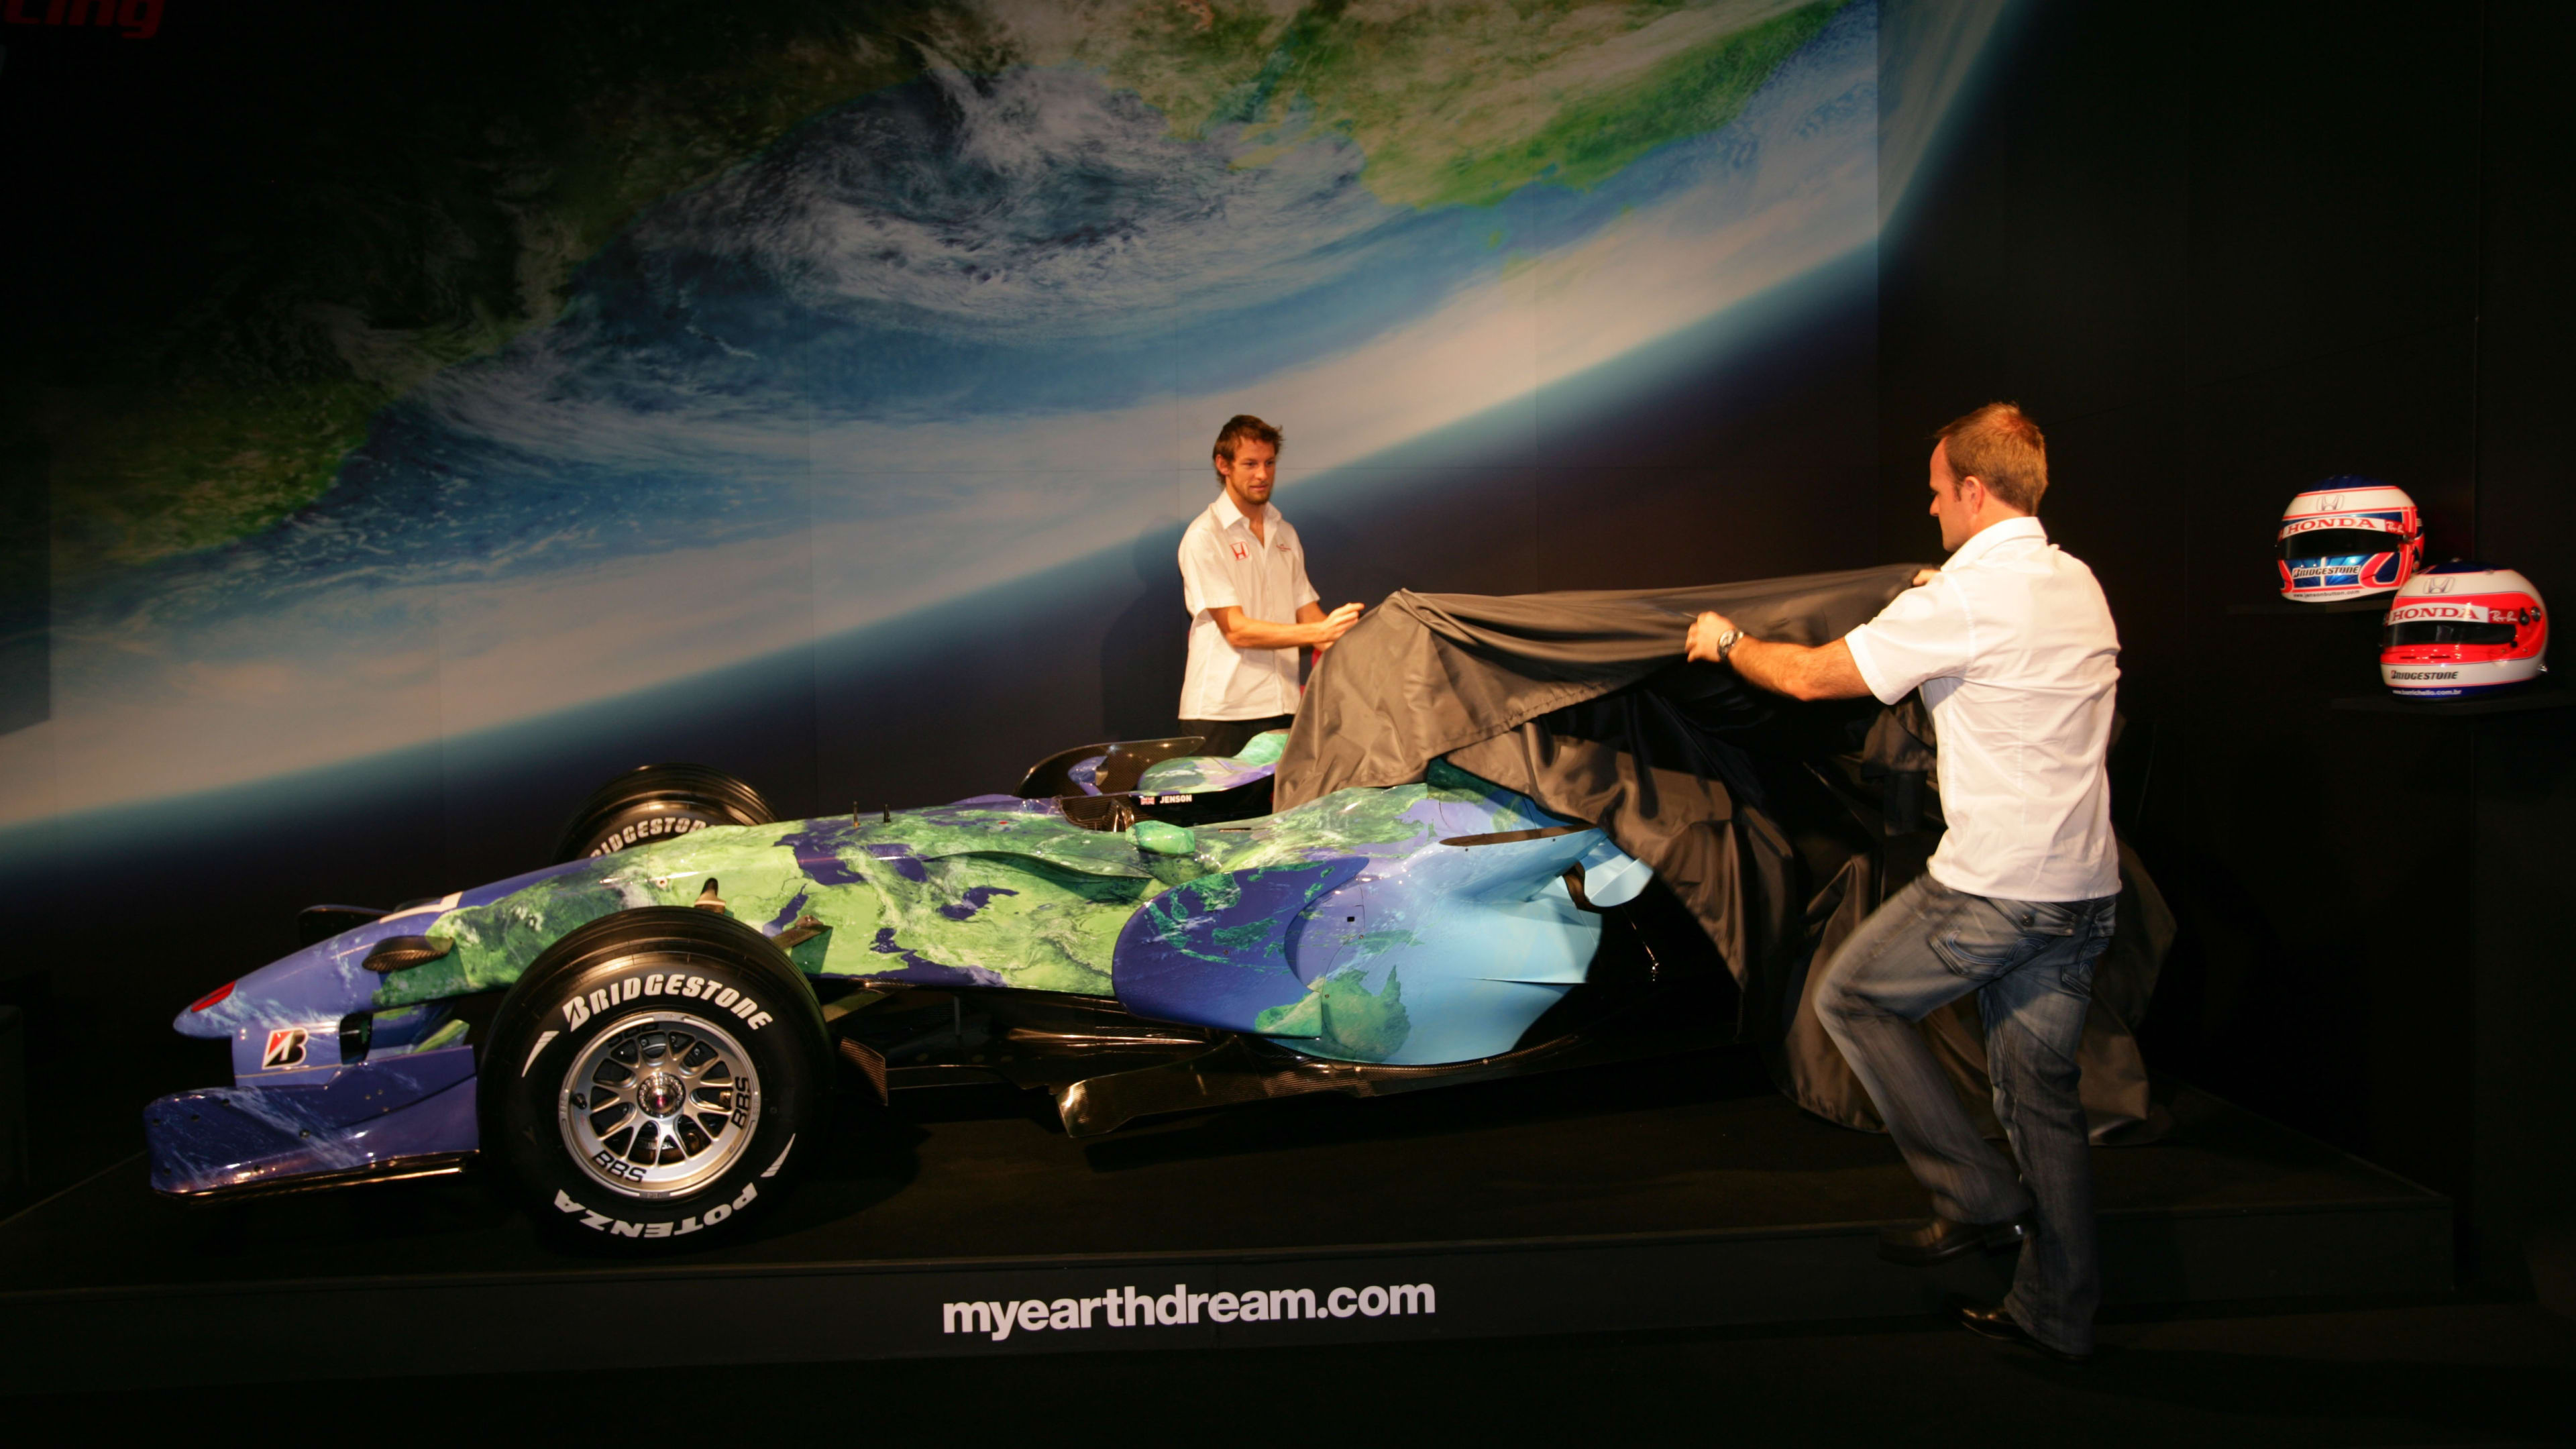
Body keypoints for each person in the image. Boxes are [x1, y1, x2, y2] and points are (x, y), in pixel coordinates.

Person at [1683, 402, 2121, 1364]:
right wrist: (1936, 592)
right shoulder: (2075, 581)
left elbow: (1809, 677)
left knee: (1852, 997)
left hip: (1996, 889)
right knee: (2039, 1100)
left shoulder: (1963, 601)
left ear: (1973, 490)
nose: (1930, 509)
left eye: (1936, 492)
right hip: (2084, 890)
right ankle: (2057, 1311)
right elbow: (1993, 639)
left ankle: (1975, 1196)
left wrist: (1726, 642)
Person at [1176, 415, 1362, 757]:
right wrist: (1320, 632)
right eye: (1250, 464)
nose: (1262, 474)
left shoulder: (1285, 533)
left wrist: (1355, 637)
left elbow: (1311, 618)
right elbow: (1236, 631)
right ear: (1224, 465)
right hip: (1221, 715)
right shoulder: (1204, 536)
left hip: (1283, 707)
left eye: (1269, 463)